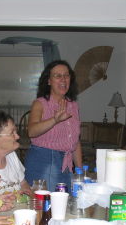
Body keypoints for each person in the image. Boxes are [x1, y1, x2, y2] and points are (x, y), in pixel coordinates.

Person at [24, 60, 82, 191]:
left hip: (66, 165)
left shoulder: (73, 105)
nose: (63, 79)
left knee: (64, 205)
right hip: (44, 162)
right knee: (45, 208)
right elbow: (31, 132)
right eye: (58, 76)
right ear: (48, 81)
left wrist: (79, 171)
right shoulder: (40, 103)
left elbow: (75, 140)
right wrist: (54, 120)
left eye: (66, 75)